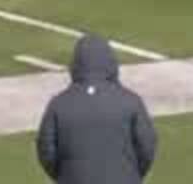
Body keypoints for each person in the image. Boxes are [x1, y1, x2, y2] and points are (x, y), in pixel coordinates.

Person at [35, 33, 157, 184]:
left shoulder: (59, 104)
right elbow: (147, 147)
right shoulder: (131, 101)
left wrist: (66, 176)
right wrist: (132, 175)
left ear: (75, 65)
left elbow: (46, 151)